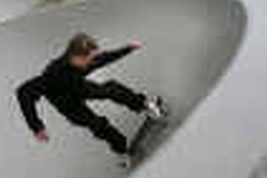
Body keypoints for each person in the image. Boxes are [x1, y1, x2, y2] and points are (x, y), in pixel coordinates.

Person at [16, 33, 162, 162]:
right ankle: (122, 151)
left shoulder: (83, 62)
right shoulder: (52, 75)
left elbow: (103, 58)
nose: (90, 62)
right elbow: (23, 92)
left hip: (81, 88)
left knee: (111, 89)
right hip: (67, 105)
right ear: (76, 57)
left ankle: (144, 105)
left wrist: (127, 49)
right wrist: (36, 127)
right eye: (89, 58)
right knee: (97, 124)